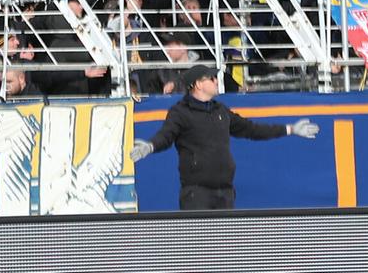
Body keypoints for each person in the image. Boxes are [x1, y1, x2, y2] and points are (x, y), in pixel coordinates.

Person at [131, 64, 318, 209]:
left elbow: (251, 129)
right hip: (197, 194)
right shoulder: (180, 112)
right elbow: (166, 135)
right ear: (197, 84)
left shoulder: (220, 110)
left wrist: (290, 129)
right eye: (211, 78)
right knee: (201, 250)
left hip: (225, 192)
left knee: (226, 250)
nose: (216, 80)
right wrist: (150, 146)